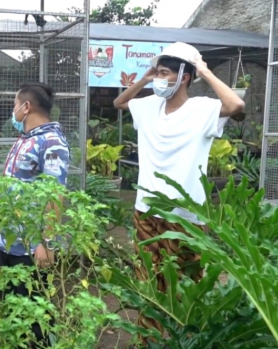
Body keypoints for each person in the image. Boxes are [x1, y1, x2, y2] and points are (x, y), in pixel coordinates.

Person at [113, 42, 245, 341]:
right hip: (146, 210)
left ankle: (184, 340)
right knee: (148, 278)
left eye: (164, 73)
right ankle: (149, 339)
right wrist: (146, 77)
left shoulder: (203, 109)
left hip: (185, 215)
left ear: (184, 77)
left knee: (186, 280)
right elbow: (120, 103)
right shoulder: (148, 106)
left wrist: (204, 71)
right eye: (157, 72)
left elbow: (236, 106)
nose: (159, 79)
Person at [0, 82, 70, 348]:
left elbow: (54, 195)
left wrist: (46, 243)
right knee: (14, 312)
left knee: (36, 317)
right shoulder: (26, 139)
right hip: (10, 242)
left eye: (15, 104)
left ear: (26, 107)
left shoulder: (51, 142)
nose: (13, 110)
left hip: (31, 247)